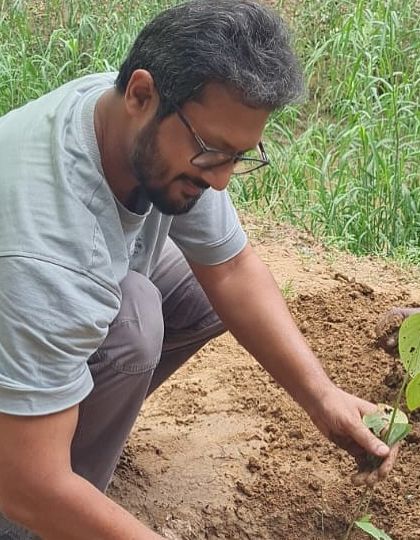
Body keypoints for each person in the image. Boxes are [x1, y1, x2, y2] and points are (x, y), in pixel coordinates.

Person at [0, 1, 398, 538]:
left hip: (37, 318)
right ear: (142, 95)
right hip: (20, 408)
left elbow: (231, 267)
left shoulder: (132, 119)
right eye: (214, 153)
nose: (223, 180)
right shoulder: (51, 255)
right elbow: (29, 483)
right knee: (133, 322)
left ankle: (62, 432)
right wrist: (38, 492)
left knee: (196, 287)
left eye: (239, 156)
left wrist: (322, 398)